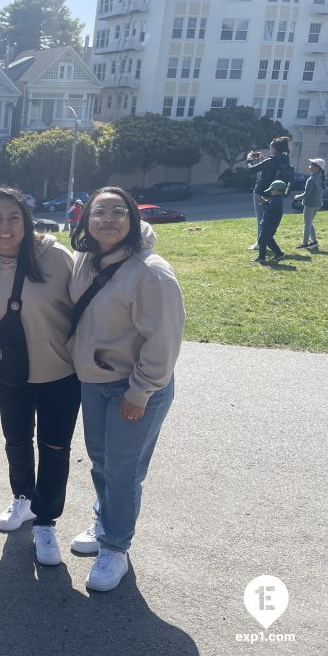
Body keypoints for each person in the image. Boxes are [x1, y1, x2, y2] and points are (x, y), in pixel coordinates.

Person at [68, 186, 184, 592]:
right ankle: (105, 519)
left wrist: (140, 391)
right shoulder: (85, 260)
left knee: (122, 470)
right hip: (93, 382)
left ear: (133, 219)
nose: (109, 220)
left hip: (133, 387)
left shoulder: (150, 271)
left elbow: (164, 340)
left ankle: (115, 546)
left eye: (119, 212)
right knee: (101, 461)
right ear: (86, 220)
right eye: (100, 212)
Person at [0, 188, 79, 566]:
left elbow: (85, 309)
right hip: (10, 374)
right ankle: (23, 498)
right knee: (17, 442)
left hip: (61, 373)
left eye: (13, 218)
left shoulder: (56, 258)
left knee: (55, 449)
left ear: (26, 221)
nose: (5, 227)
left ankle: (46, 521)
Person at [246, 137, 291, 249]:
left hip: (261, 192)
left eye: (270, 146)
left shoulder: (270, 161)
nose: (270, 148)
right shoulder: (284, 160)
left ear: (274, 148)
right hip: (274, 193)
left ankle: (260, 243)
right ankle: (264, 241)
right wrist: (262, 161)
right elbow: (271, 171)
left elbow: (251, 170)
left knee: (261, 220)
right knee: (267, 219)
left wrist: (249, 160)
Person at [254, 180, 288, 263]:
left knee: (262, 240)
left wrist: (263, 203)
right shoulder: (277, 199)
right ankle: (279, 254)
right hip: (271, 223)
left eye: (272, 190)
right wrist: (266, 202)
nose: (271, 191)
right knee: (268, 239)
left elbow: (269, 210)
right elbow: (270, 206)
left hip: (269, 224)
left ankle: (261, 257)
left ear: (277, 190)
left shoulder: (276, 200)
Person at [296, 158, 325, 250]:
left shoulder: (311, 179)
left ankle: (305, 243)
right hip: (318, 204)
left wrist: (297, 197)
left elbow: (306, 194)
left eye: (312, 164)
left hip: (310, 204)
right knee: (310, 222)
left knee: (307, 224)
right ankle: (313, 241)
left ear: (317, 168)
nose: (310, 166)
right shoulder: (320, 178)